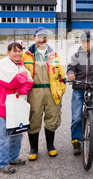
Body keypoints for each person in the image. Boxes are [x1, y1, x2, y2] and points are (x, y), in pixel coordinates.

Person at [22, 27, 66, 161]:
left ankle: (50, 146)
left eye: (45, 37)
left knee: (52, 118)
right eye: (39, 37)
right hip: (34, 92)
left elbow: (61, 75)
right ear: (34, 38)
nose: (42, 40)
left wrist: (60, 90)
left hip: (51, 91)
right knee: (34, 118)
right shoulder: (26, 55)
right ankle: (33, 148)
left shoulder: (54, 55)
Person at [0, 42, 33, 174]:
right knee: (4, 137)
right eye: (14, 51)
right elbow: (11, 82)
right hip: (4, 106)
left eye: (19, 51)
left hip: (17, 106)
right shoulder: (3, 64)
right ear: (8, 52)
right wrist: (23, 79)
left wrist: (21, 88)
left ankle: (13, 158)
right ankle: (2, 164)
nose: (17, 53)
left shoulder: (21, 65)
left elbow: (30, 82)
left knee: (17, 134)